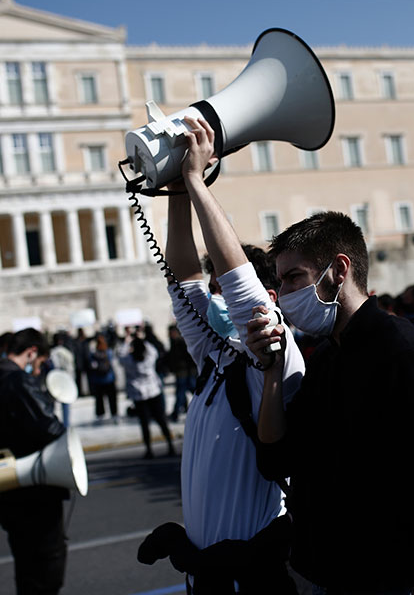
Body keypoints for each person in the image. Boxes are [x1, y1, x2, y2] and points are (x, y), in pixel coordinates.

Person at [246, 211, 414, 593]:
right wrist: (270, 372)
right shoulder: (326, 357)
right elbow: (276, 458)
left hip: (380, 576)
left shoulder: (401, 351)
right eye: (280, 281)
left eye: (295, 277)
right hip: (319, 571)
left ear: (339, 270)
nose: (286, 294)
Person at [140, 117, 305, 593]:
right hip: (208, 575)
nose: (214, 298)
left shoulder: (272, 350)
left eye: (223, 291)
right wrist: (174, 192)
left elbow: (239, 285)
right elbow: (184, 282)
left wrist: (195, 181)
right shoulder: (216, 357)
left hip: (249, 579)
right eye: (214, 291)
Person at [0, 328, 68, 595]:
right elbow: (51, 431)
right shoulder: (17, 381)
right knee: (46, 571)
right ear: (32, 352)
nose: (39, 371)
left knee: (26, 570)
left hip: (5, 487)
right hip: (35, 492)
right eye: (40, 363)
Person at [117, 332, 175, 458]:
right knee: (161, 420)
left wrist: (127, 342)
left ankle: (149, 449)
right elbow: (154, 351)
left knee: (144, 424)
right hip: (154, 392)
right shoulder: (148, 359)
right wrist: (143, 339)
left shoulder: (129, 362)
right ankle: (170, 445)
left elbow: (120, 355)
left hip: (139, 396)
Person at [165, 324, 196, 422]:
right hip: (183, 371)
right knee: (185, 392)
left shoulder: (179, 342)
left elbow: (186, 357)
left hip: (185, 371)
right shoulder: (176, 342)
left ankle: (176, 413)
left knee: (183, 392)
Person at [88, 335, 118, 424]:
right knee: (112, 398)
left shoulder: (94, 353)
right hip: (109, 379)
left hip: (98, 380)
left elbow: (91, 366)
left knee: (99, 399)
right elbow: (112, 364)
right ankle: (114, 413)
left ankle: (100, 414)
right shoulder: (108, 352)